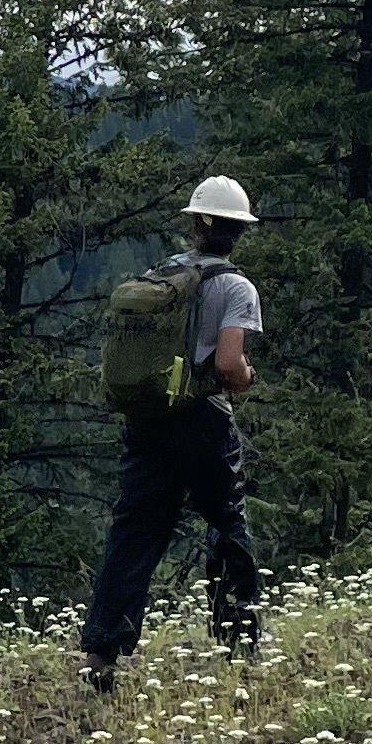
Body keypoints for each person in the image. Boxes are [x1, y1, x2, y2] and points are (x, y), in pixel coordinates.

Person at [83, 174, 263, 693]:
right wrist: (247, 378)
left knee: (135, 530)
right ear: (238, 232)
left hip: (149, 420)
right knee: (227, 523)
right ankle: (238, 641)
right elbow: (229, 364)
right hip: (203, 419)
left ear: (193, 225)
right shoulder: (235, 286)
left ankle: (103, 649)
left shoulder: (162, 275)